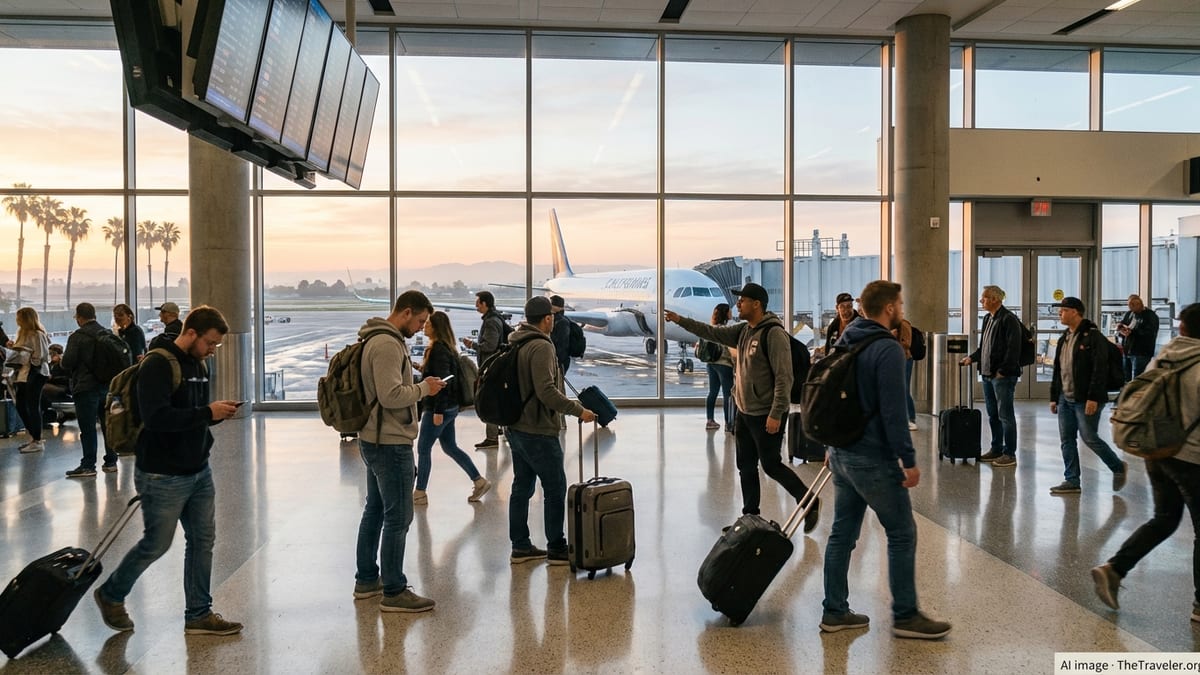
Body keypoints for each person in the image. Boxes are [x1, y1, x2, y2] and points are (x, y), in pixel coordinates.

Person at [93, 305, 245, 636]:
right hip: (162, 474)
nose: (213, 350)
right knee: (156, 544)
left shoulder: (199, 364)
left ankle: (198, 614)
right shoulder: (158, 365)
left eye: (216, 345)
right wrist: (207, 412)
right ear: (190, 333)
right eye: (210, 343)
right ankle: (111, 593)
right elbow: (157, 417)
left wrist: (211, 418)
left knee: (203, 541)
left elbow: (192, 412)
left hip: (198, 470)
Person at [820, 280, 951, 639]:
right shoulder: (886, 349)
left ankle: (834, 611)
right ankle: (906, 615)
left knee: (841, 534)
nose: (903, 309)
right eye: (901, 303)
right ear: (889, 308)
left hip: (843, 454)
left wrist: (831, 448)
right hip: (871, 456)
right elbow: (894, 412)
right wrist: (908, 459)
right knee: (902, 532)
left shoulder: (847, 338)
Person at [666, 283, 820, 533]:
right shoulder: (744, 331)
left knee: (771, 465)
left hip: (766, 414)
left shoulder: (774, 334)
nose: (738, 304)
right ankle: (750, 518)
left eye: (743, 300)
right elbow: (710, 332)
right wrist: (680, 320)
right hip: (744, 411)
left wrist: (775, 413)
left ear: (757, 304)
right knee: (745, 466)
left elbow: (784, 377)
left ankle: (809, 501)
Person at [1091, 303, 1200, 619]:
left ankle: (1114, 568)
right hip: (1191, 457)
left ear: (1182, 329)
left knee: (1166, 517)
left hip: (1158, 449)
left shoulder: (1166, 354)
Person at [352, 290, 445, 613]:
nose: (421, 328)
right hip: (390, 442)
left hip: (374, 437)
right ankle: (393, 589)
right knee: (399, 516)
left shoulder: (375, 339)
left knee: (375, 509)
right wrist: (424, 389)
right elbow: (391, 395)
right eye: (420, 321)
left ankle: (367, 579)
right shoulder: (388, 344)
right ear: (406, 312)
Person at [506, 296, 596, 565]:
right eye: (553, 316)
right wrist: (579, 410)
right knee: (555, 487)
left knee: (521, 487)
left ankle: (520, 545)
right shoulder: (541, 347)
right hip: (538, 429)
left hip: (516, 426)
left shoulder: (517, 340)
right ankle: (556, 546)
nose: (555, 320)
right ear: (547, 318)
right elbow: (547, 391)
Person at [1048, 296, 1128, 495]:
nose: (1060, 313)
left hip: (1086, 398)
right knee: (1066, 439)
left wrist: (1093, 397)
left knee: (1089, 437)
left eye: (1064, 310)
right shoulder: (1064, 338)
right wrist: (1053, 396)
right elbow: (1058, 369)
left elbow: (1099, 369)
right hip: (1065, 398)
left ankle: (1117, 466)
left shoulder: (1093, 337)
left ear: (1075, 311)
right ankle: (1072, 480)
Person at [412, 311, 490, 506]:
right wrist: (420, 368)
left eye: (428, 323)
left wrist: (437, 411)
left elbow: (443, 381)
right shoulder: (446, 348)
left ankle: (420, 492)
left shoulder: (438, 349)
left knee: (423, 449)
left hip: (439, 408)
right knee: (450, 447)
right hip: (450, 407)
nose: (424, 326)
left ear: (436, 327)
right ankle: (479, 481)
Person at [960, 285, 1023, 468]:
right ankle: (996, 448)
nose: (981, 301)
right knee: (993, 414)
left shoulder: (1008, 319)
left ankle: (1009, 453)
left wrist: (1002, 371)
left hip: (1002, 376)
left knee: (1005, 415)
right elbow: (984, 347)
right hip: (987, 374)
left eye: (984, 298)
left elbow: (1014, 349)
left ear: (995, 299)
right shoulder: (988, 318)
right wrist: (972, 358)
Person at [62, 302, 117, 477]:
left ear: (79, 317)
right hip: (106, 387)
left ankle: (88, 465)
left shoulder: (77, 337)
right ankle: (111, 461)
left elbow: (67, 362)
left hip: (85, 387)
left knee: (88, 428)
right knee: (108, 425)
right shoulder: (107, 333)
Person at [463, 290, 506, 449]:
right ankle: (499, 430)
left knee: (490, 401)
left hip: (491, 367)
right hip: (495, 366)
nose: (476, 306)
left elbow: (490, 345)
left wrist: (473, 345)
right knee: (498, 400)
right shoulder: (495, 319)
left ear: (485, 303)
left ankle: (492, 436)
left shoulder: (491, 322)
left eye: (478, 303)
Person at [6, 307, 51, 453]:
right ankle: (34, 436)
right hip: (23, 373)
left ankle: (37, 439)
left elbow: (41, 355)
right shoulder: (22, 333)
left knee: (32, 405)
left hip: (35, 373)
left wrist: (25, 355)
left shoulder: (37, 334)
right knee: (20, 405)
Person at [700, 302, 735, 433]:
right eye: (730, 311)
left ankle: (710, 420)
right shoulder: (725, 330)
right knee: (728, 395)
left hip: (711, 364)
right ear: (725, 313)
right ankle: (729, 423)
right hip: (724, 365)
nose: (732, 313)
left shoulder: (711, 328)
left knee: (712, 392)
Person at [1117, 294, 1159, 381]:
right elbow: (1123, 324)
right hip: (1127, 350)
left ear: (1139, 304)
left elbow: (1150, 334)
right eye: (1129, 305)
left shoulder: (1150, 316)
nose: (1130, 308)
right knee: (1126, 378)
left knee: (1137, 379)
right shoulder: (1129, 314)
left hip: (1141, 352)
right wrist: (1121, 329)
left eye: (1132, 305)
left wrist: (1132, 332)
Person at [893, 318, 923, 431]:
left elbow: (906, 343)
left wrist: (890, 338)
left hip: (905, 359)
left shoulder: (903, 324)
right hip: (894, 359)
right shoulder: (887, 323)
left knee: (904, 388)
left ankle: (911, 418)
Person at [823, 292, 857, 356]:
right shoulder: (833, 327)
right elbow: (828, 348)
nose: (846, 311)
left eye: (849, 306)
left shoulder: (860, 324)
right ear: (837, 308)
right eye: (842, 307)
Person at [549, 295, 572, 375]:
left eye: (551, 304)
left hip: (559, 362)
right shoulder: (554, 319)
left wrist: (557, 362)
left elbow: (562, 345)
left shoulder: (562, 322)